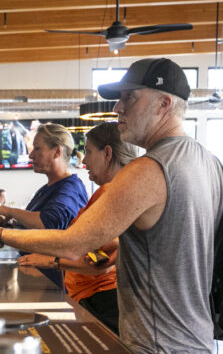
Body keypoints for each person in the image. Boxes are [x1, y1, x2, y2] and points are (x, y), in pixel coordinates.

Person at [0, 58, 223, 354]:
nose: (118, 108)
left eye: (130, 97)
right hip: (194, 349)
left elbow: (75, 243)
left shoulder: (149, 169)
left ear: (164, 103)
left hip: (160, 352)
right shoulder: (207, 161)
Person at [17, 123, 137, 334]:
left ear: (107, 153)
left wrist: (50, 260)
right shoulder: (111, 192)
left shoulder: (113, 194)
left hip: (101, 300)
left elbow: (99, 260)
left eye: (89, 152)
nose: (84, 160)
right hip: (93, 298)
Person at [0, 122, 88, 288]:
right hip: (38, 279)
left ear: (57, 152)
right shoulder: (47, 189)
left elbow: (48, 223)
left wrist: (10, 211)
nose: (31, 156)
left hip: (57, 284)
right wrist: (9, 227)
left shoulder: (70, 188)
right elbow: (33, 228)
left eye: (37, 149)